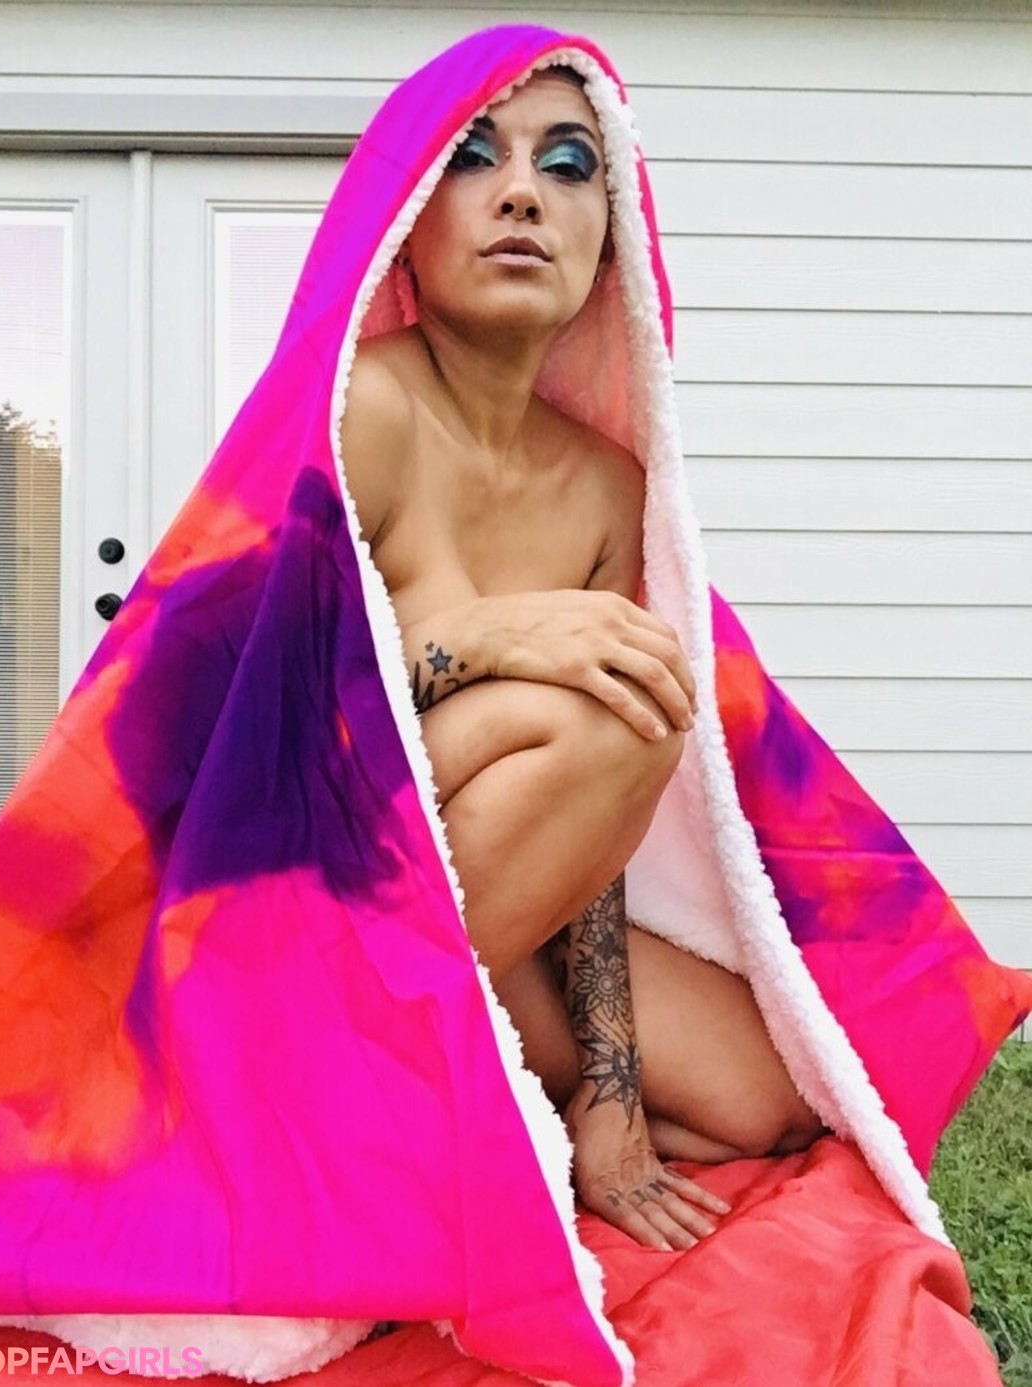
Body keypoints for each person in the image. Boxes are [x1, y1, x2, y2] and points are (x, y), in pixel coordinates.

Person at [340, 61, 828, 1258]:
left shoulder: (609, 486)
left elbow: (591, 812)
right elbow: (252, 713)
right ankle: (340, 1103)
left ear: (610, 242)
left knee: (761, 1099)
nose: (522, 193)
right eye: (474, 157)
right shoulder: (366, 413)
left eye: (568, 164)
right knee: (611, 705)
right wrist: (484, 635)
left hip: (477, 902)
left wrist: (610, 1088)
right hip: (310, 893)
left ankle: (523, 1107)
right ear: (404, 229)